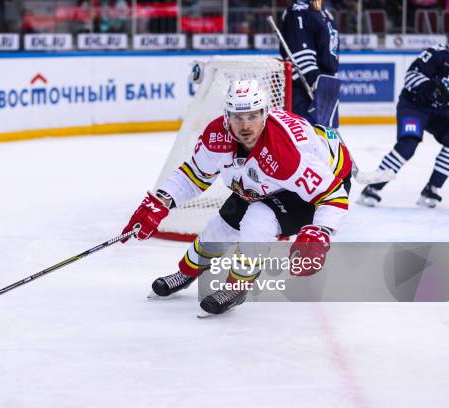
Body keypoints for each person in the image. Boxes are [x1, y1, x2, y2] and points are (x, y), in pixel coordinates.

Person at [122, 79, 352, 315]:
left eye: (253, 117)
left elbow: (333, 195)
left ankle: (236, 287)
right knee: (219, 229)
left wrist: (320, 232)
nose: (245, 126)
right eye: (238, 117)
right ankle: (186, 272)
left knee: (257, 222)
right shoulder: (217, 136)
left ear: (265, 114)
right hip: (266, 183)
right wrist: (161, 201)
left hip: (319, 186)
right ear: (226, 117)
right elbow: (194, 175)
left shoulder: (285, 153)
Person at [358, 44, 449, 208]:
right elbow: (411, 76)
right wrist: (429, 86)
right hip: (414, 106)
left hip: (441, 112)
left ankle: (432, 188)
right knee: (407, 145)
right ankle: (372, 187)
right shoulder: (438, 53)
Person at [280, 0, 339, 125]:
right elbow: (301, 58)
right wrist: (319, 83)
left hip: (323, 86)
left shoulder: (324, 11)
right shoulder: (298, 11)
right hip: (306, 92)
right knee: (305, 140)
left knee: (324, 141)